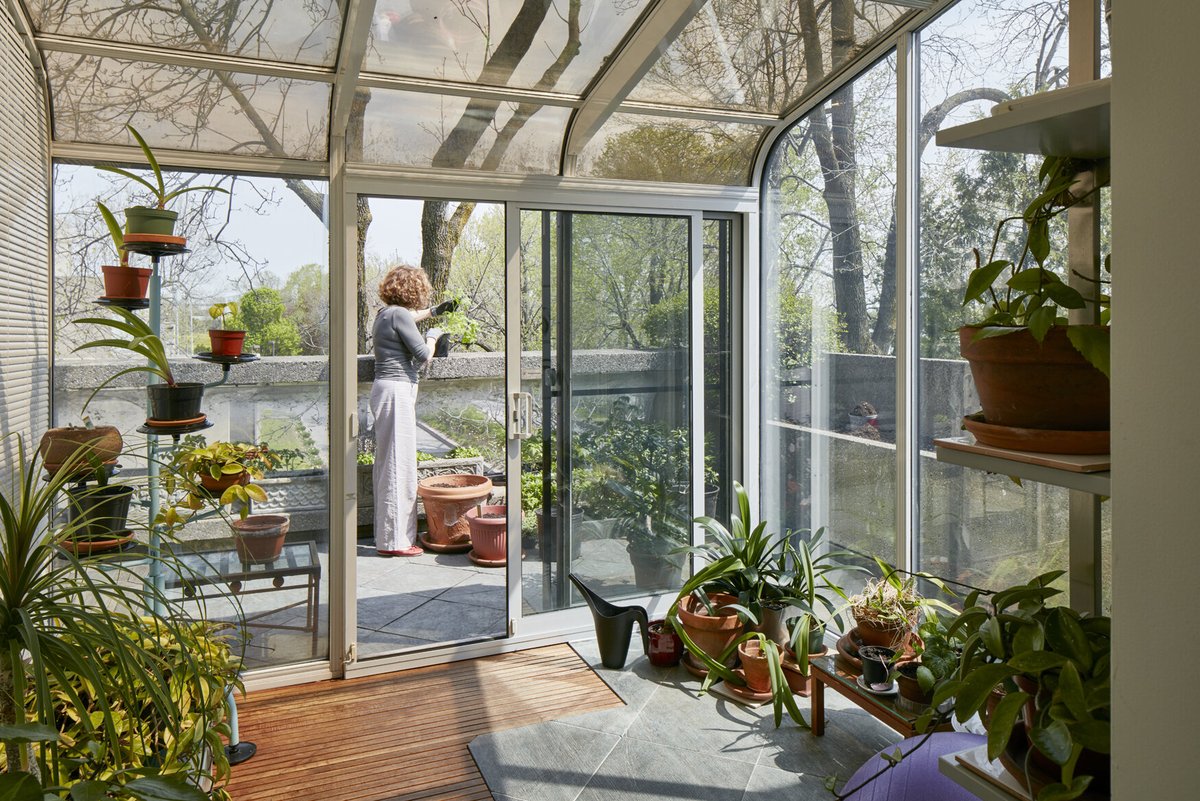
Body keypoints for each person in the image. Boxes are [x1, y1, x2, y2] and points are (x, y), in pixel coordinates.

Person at [370, 264, 456, 557]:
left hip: (386, 389)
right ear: (414, 290)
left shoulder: (385, 314)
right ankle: (395, 543)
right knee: (398, 465)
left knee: (388, 464)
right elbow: (422, 355)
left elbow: (408, 317)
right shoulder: (399, 315)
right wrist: (433, 335)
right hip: (396, 391)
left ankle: (389, 536)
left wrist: (434, 311)